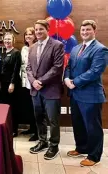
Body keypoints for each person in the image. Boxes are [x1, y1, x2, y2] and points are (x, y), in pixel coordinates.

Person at [64, 20, 108, 166]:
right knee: (78, 124)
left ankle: (94, 156)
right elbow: (69, 66)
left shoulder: (100, 49)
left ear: (94, 30)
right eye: (83, 30)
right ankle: (81, 147)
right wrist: (66, 78)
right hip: (75, 94)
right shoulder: (76, 48)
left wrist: (74, 82)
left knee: (92, 126)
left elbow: (95, 72)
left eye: (88, 30)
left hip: (91, 95)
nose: (84, 32)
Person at [26, 20, 64, 160]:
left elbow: (57, 67)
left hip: (51, 90)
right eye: (36, 29)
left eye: (41, 29)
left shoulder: (57, 45)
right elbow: (28, 68)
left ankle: (54, 146)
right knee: (39, 117)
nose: (38, 32)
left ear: (48, 29)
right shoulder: (32, 47)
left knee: (53, 120)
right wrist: (33, 81)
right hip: (36, 90)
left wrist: (41, 81)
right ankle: (43, 141)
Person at [0, 33, 21, 137]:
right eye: (5, 39)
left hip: (12, 84)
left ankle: (14, 130)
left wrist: (12, 83)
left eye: (9, 39)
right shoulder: (3, 53)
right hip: (3, 84)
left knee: (13, 107)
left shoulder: (16, 53)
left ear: (13, 40)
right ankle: (6, 128)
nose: (7, 41)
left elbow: (16, 70)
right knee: (5, 108)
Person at [20, 27, 38, 141]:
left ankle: (37, 132)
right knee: (29, 107)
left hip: (34, 81)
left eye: (30, 34)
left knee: (36, 107)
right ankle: (31, 128)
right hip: (24, 82)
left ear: (34, 36)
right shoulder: (24, 48)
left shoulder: (37, 47)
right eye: (26, 35)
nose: (28, 36)